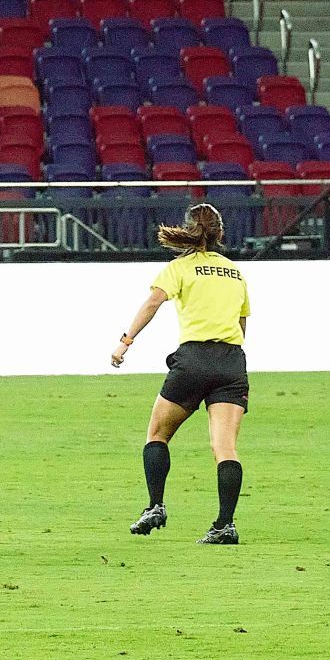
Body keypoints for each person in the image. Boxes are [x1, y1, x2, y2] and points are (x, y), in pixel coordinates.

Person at [111, 204, 251, 545]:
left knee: (157, 433)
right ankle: (225, 525)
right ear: (219, 233)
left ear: (188, 231)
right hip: (232, 361)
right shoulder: (234, 272)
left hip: (193, 359)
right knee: (225, 448)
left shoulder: (180, 267)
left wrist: (125, 341)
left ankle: (155, 506)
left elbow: (152, 303)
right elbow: (242, 322)